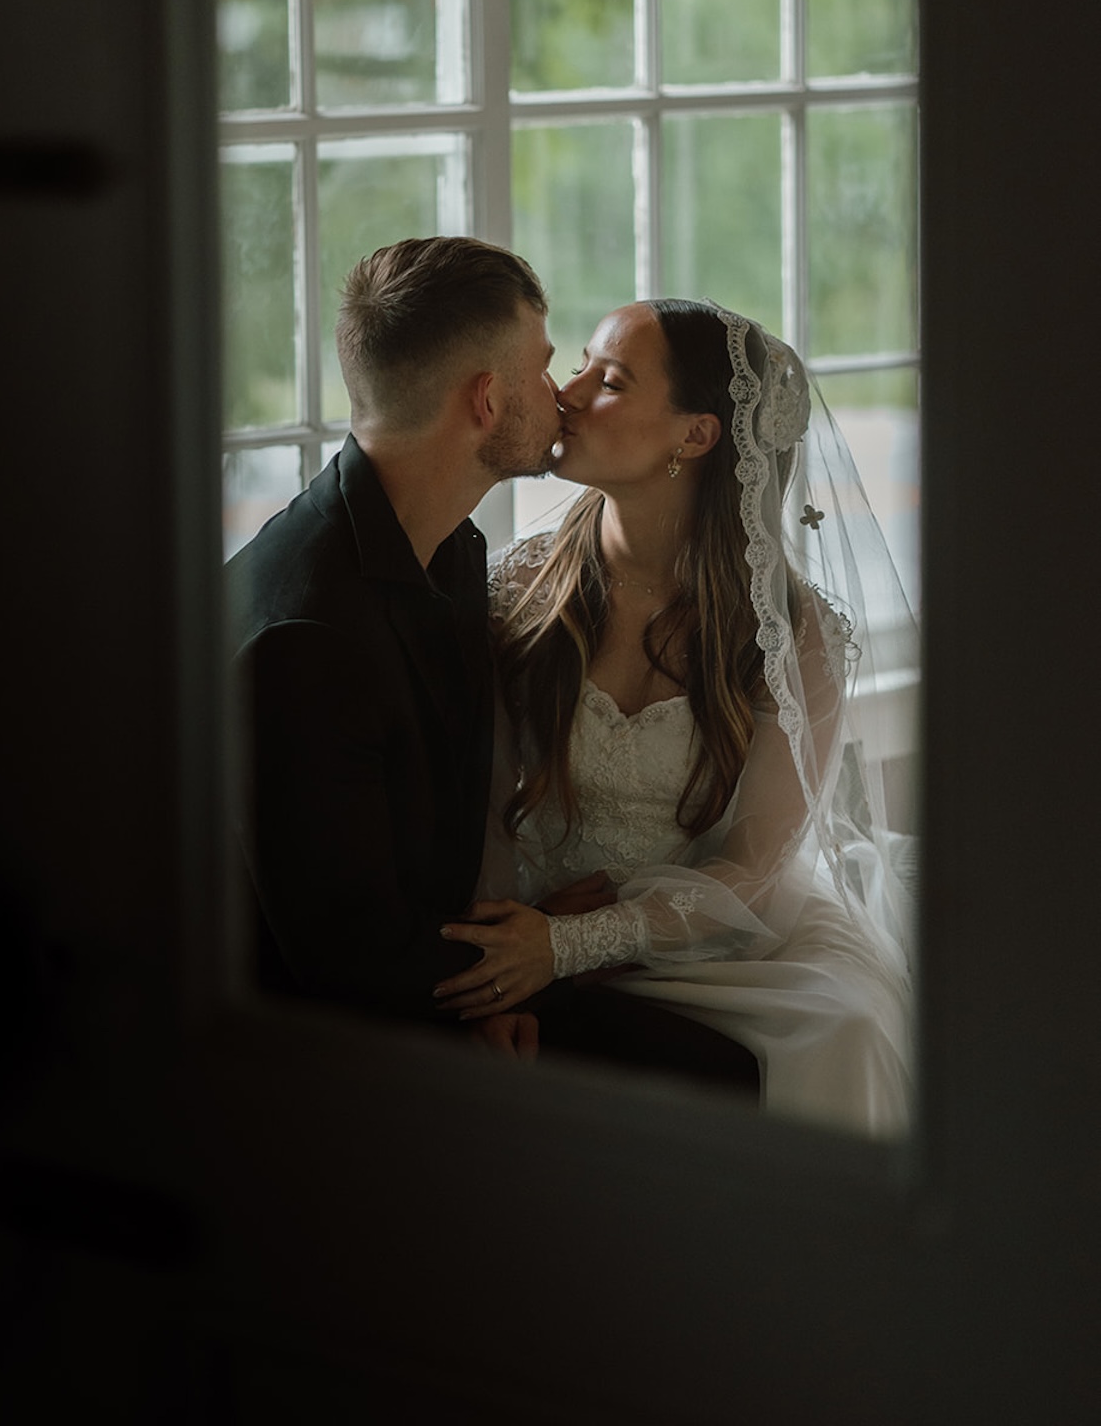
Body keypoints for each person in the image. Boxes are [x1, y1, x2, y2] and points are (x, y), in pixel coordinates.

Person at [433, 298, 917, 1136]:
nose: (568, 392)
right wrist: (514, 949)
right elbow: (476, 807)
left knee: (845, 1028)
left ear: (696, 436)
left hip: (721, 938)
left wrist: (574, 946)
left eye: (610, 379)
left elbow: (758, 869)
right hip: (541, 911)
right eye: (579, 362)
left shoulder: (796, 640)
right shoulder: (518, 591)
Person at [227, 236, 561, 1057]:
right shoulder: (306, 640)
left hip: (433, 981)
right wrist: (543, 952)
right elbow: (349, 962)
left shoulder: (451, 544)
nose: (562, 395)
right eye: (544, 369)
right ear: (487, 400)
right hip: (317, 1051)